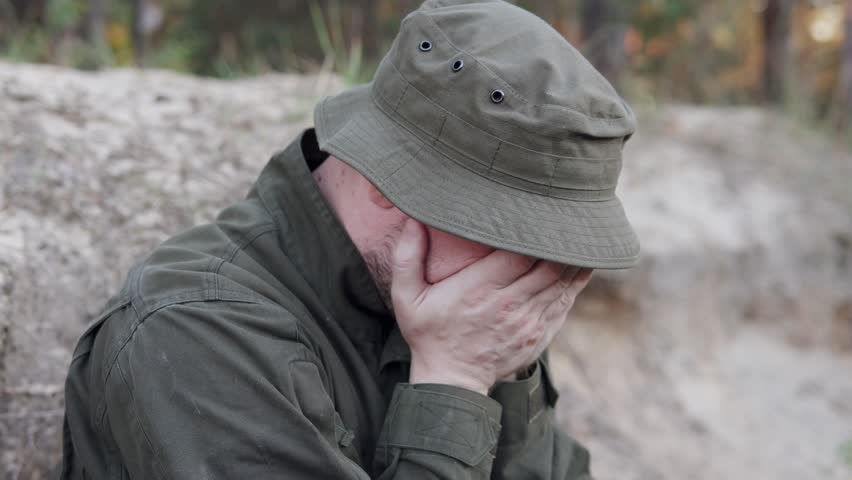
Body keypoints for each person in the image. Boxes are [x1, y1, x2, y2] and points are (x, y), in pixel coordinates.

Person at [60, 0, 639, 478]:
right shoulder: (193, 334)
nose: (539, 271)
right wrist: (455, 383)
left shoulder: (457, 311)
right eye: (513, 229)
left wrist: (506, 376)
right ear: (393, 179)